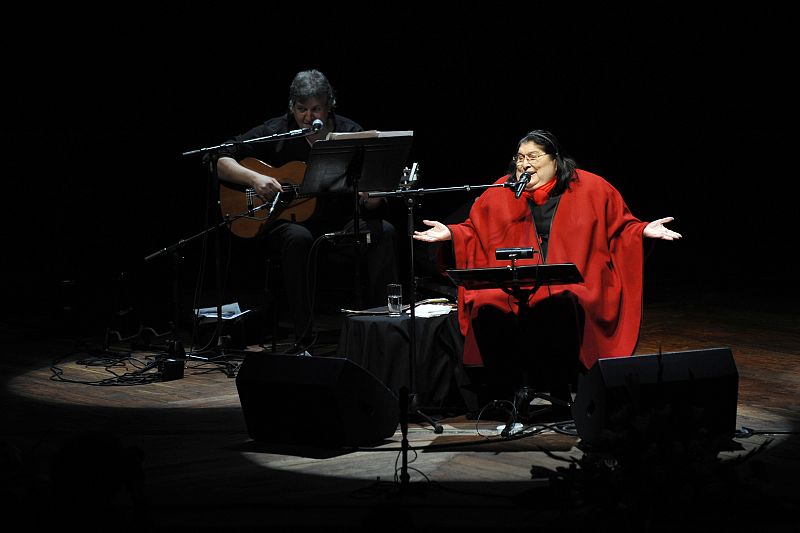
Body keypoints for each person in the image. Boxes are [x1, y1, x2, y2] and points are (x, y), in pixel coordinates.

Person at [413, 129, 681, 409]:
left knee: (560, 301)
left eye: (533, 157)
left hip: (578, 279)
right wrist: (452, 234)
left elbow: (621, 227)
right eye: (519, 158)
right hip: (515, 279)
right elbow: (474, 229)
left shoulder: (593, 187)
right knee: (487, 301)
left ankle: (558, 387)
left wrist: (642, 231)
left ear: (556, 160)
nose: (523, 165)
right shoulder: (502, 190)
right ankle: (505, 390)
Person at [206, 69, 399, 354]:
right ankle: (304, 340)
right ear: (291, 107)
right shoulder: (277, 131)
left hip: (338, 226)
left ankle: (386, 329)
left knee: (384, 231)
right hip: (291, 226)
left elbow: (369, 197)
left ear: (329, 105)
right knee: (298, 238)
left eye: (316, 109)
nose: (309, 117)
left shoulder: (351, 134)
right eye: (302, 109)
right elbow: (217, 157)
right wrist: (255, 179)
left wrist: (372, 198)